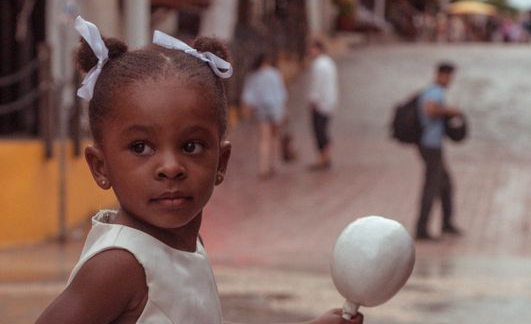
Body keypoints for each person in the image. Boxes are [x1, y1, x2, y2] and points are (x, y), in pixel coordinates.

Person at [35, 16, 362, 324]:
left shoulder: (184, 243)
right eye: (140, 148)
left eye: (191, 147)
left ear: (221, 162)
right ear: (100, 167)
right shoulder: (121, 264)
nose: (171, 167)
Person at [415, 62, 463, 241]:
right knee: (432, 186)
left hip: (432, 145)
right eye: (449, 77)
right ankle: (422, 228)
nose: (450, 81)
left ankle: (447, 223)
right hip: (431, 145)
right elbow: (429, 109)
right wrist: (450, 111)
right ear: (442, 75)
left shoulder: (434, 91)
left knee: (446, 185)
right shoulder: (434, 92)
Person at [241, 52, 288, 179]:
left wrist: (252, 108)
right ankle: (272, 163)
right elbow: (282, 94)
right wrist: (284, 111)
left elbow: (248, 97)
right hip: (276, 110)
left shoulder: (252, 76)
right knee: (274, 138)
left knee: (264, 140)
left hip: (261, 110)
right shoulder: (274, 74)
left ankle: (263, 167)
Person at [307, 39, 338, 171]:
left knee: (319, 131)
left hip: (321, 103)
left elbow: (317, 85)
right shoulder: (329, 63)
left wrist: (314, 100)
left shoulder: (319, 65)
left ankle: (323, 157)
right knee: (323, 130)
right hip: (329, 102)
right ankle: (325, 156)